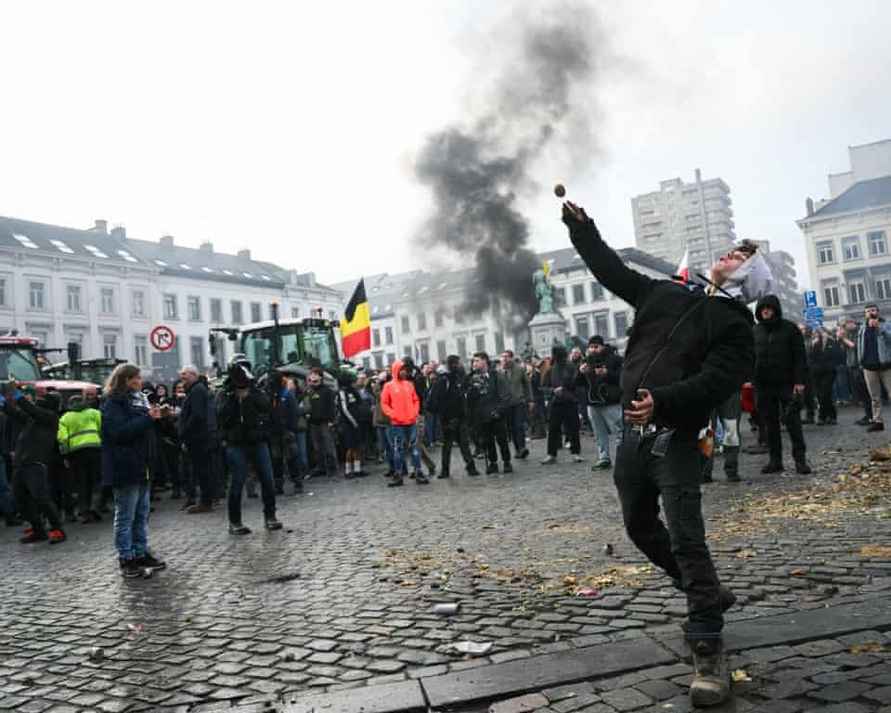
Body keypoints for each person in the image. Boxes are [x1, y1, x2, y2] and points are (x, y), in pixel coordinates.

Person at [562, 199, 771, 707]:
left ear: (750, 276)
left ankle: (708, 648)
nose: (730, 253)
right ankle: (706, 592)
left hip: (676, 435)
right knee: (638, 526)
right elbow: (611, 270)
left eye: (741, 254)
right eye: (732, 248)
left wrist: (664, 401)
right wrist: (583, 229)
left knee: (686, 537)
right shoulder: (666, 293)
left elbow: (717, 380)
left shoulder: (736, 326)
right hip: (633, 437)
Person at [101, 364, 165, 576]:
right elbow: (119, 433)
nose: (140, 381)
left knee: (141, 513)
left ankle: (140, 552)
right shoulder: (114, 403)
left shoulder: (140, 401)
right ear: (125, 380)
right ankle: (126, 557)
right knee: (126, 515)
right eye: (136, 378)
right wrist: (147, 419)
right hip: (125, 465)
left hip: (143, 464)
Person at [216, 358, 283, 534]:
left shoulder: (256, 390)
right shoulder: (225, 393)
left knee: (267, 479)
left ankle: (270, 516)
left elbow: (266, 407)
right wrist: (235, 398)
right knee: (237, 482)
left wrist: (248, 396)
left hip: (258, 441)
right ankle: (235, 521)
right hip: (236, 443)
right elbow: (222, 417)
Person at [753, 296, 812, 474]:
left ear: (775, 309)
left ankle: (800, 460)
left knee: (793, 423)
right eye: (762, 308)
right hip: (763, 385)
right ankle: (775, 460)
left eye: (769, 308)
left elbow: (800, 357)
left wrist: (799, 382)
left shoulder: (790, 329)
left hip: (787, 384)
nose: (765, 311)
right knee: (770, 425)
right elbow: (750, 356)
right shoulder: (755, 331)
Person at [5, 384, 67, 545]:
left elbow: (31, 410)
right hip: (21, 463)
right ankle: (38, 529)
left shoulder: (50, 417)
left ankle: (57, 529)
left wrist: (17, 395)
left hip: (35, 463)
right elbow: (15, 413)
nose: (38, 400)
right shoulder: (34, 419)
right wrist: (4, 402)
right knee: (19, 498)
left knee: (41, 498)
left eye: (42, 399)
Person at [428, 355, 479, 478]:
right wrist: (445, 416)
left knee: (462, 443)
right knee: (449, 445)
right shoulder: (443, 380)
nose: (459, 366)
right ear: (452, 365)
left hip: (460, 417)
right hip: (448, 419)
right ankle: (446, 470)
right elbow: (436, 401)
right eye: (457, 363)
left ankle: (470, 467)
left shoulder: (458, 378)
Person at [58, 394, 103, 523]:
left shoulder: (65, 418)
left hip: (76, 454)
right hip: (95, 449)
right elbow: (102, 429)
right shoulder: (94, 413)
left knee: (82, 483)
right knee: (97, 480)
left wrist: (65, 455)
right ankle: (95, 506)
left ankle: (84, 511)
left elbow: (62, 438)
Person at [580, 336, 623, 470]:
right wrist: (581, 373)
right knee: (599, 433)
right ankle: (603, 457)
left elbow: (622, 377)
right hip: (593, 402)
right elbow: (576, 384)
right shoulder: (586, 361)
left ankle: (624, 457)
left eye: (596, 346)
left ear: (602, 346)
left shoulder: (615, 359)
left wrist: (607, 373)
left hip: (610, 401)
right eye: (591, 347)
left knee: (620, 430)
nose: (593, 349)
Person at [467, 352, 512, 475]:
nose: (474, 363)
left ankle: (507, 461)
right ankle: (493, 463)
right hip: (482, 416)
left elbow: (506, 395)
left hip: (497, 414)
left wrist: (499, 410)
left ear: (484, 361)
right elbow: (470, 401)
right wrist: (471, 389)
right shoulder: (472, 378)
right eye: (473, 361)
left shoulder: (496, 376)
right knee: (487, 441)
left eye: (477, 361)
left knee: (502, 439)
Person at [381, 359, 425, 486]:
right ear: (396, 370)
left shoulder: (409, 385)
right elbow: (384, 403)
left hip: (410, 421)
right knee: (398, 449)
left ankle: (418, 472)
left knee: (414, 449)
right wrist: (393, 414)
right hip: (397, 423)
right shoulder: (388, 386)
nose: (404, 372)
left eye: (405, 370)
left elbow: (416, 400)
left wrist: (414, 412)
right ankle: (398, 474)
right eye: (402, 370)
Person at [178, 365, 215, 514]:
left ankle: (206, 502)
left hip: (198, 438)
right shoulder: (194, 390)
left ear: (194, 375)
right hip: (197, 437)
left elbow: (197, 415)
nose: (182, 378)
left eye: (185, 375)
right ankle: (206, 500)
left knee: (202, 470)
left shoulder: (197, 390)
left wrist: (185, 430)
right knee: (201, 470)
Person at [541, 344, 582, 465]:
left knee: (573, 428)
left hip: (570, 401)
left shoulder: (570, 366)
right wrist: (553, 391)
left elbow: (575, 383)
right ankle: (551, 454)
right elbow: (544, 386)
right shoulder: (551, 368)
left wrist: (563, 388)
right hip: (556, 402)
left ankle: (575, 452)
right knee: (553, 429)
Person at [856, 304, 891, 432]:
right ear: (865, 314)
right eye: (868, 311)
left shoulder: (886, 324)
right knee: (875, 396)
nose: (871, 312)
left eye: (874, 310)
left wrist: (879, 328)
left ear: (878, 312)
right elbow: (860, 345)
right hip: (869, 366)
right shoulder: (862, 328)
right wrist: (861, 361)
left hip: (886, 365)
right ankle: (878, 421)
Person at [837, 319, 872, 425]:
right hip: (852, 366)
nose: (843, 328)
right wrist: (840, 339)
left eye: (844, 325)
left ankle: (872, 416)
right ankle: (868, 415)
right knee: (862, 393)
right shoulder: (849, 333)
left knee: (867, 393)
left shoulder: (860, 331)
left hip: (860, 365)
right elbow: (844, 350)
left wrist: (843, 338)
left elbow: (855, 346)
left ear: (851, 323)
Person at [500, 350, 533, 459]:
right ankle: (518, 449)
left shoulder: (519, 369)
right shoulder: (499, 371)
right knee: (511, 428)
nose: (504, 359)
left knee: (519, 425)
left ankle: (522, 447)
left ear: (511, 358)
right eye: (503, 357)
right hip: (506, 404)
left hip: (519, 402)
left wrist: (530, 400)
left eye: (506, 357)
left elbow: (527, 384)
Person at [305, 369, 339, 477]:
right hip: (313, 423)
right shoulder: (310, 391)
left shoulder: (327, 391)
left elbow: (331, 407)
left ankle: (332, 467)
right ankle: (321, 467)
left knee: (328, 446)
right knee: (317, 447)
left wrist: (331, 420)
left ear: (320, 377)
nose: (312, 377)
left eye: (314, 375)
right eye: (311, 375)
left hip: (325, 422)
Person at [809, 330, 843, 425]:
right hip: (816, 373)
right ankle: (831, 415)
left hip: (829, 372)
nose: (821, 335)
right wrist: (812, 346)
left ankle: (822, 416)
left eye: (823, 333)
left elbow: (838, 355)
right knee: (820, 395)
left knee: (825, 392)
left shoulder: (832, 343)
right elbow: (810, 357)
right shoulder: (814, 344)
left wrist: (832, 366)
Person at [337, 372, 365, 479]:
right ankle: (348, 470)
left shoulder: (352, 390)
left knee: (357, 446)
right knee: (350, 448)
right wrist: (354, 422)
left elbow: (358, 402)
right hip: (348, 424)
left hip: (356, 422)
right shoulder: (342, 392)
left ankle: (357, 469)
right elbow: (344, 409)